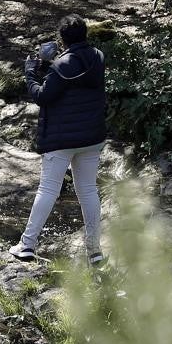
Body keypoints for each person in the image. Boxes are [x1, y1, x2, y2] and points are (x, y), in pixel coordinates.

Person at [10, 15, 107, 266]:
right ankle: (95, 252)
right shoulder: (97, 57)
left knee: (48, 190)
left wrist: (31, 73)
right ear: (85, 35)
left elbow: (43, 95)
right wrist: (49, 65)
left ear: (62, 39)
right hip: (91, 137)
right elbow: (73, 77)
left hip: (61, 140)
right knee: (88, 191)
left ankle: (27, 245)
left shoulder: (61, 65)